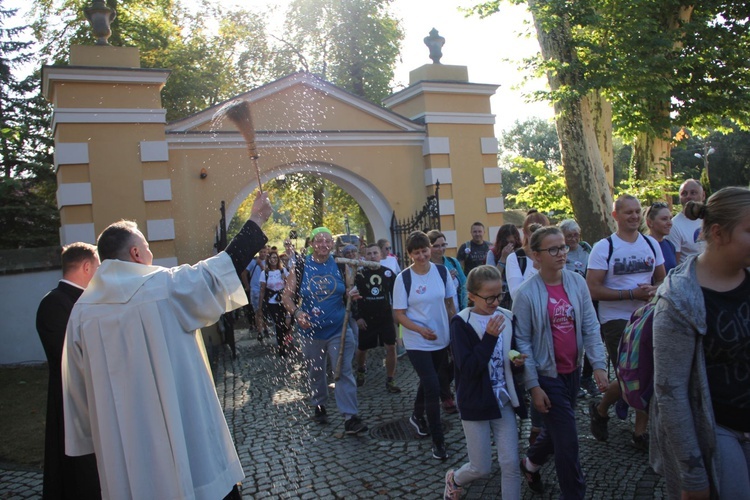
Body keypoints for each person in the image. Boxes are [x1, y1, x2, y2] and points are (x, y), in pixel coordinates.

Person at [62, 191, 272, 499]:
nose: (151, 256)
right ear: (135, 254)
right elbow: (219, 270)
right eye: (147, 249)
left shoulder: (80, 313)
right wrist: (256, 219)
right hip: (184, 432)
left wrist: (95, 438)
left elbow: (77, 394)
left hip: (122, 450)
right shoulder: (161, 287)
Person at [651, 187, 750, 499]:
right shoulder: (678, 299)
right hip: (717, 430)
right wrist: (692, 476)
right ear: (718, 233)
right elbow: (671, 394)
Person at [514, 226, 609, 497]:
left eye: (563, 247)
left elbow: (591, 325)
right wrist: (533, 386)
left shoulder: (577, 282)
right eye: (553, 249)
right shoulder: (526, 294)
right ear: (537, 256)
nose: (561, 253)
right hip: (547, 375)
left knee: (557, 431)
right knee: (568, 443)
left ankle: (530, 464)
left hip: (573, 371)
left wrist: (599, 366)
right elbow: (523, 343)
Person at [587, 194, 666, 451]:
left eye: (636, 212)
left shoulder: (652, 245)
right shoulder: (604, 247)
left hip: (648, 316)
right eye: (627, 212)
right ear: (615, 216)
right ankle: (601, 409)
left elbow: (663, 282)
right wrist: (631, 294)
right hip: (616, 320)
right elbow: (593, 290)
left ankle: (640, 432)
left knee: (649, 372)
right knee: (628, 375)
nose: (633, 216)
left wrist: (653, 290)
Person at [444, 265, 527, 500]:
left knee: (510, 463)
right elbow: (468, 368)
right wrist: (489, 337)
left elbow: (509, 353)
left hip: (503, 399)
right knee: (481, 467)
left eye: (499, 294)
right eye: (489, 296)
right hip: (475, 400)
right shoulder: (461, 323)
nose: (495, 301)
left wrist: (516, 361)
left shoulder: (508, 317)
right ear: (471, 296)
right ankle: (455, 479)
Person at [282, 227, 368, 434]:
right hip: (311, 331)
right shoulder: (301, 266)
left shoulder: (340, 265)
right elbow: (286, 298)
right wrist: (297, 313)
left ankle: (350, 417)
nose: (323, 244)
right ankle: (319, 403)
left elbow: (348, 290)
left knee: (343, 370)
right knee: (316, 370)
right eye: (318, 241)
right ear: (311, 244)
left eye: (327, 241)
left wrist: (352, 293)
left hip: (339, 328)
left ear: (332, 244)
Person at [36, 243, 101, 500]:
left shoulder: (82, 301)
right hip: (70, 402)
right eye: (97, 267)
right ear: (86, 267)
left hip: (91, 397)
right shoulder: (54, 304)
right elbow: (68, 356)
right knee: (78, 474)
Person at [393, 231, 456, 460]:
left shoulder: (441, 272)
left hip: (441, 338)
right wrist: (420, 330)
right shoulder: (404, 278)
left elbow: (450, 303)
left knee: (428, 381)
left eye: (424, 250)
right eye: (416, 252)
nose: (422, 256)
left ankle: (416, 415)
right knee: (432, 386)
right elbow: (398, 314)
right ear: (409, 254)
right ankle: (438, 441)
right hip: (417, 341)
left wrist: (454, 329)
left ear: (431, 249)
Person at [352, 243, 401, 393]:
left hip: (385, 317)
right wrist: (358, 317)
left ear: (381, 255)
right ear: (364, 256)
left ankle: (390, 379)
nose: (372, 256)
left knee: (391, 347)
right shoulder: (359, 275)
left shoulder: (388, 273)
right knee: (362, 349)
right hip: (366, 318)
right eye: (369, 254)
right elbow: (353, 299)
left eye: (375, 253)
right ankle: (361, 369)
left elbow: (398, 296)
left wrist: (397, 316)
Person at [427, 229, 466, 414]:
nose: (441, 249)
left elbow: (464, 284)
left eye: (443, 245)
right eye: (436, 246)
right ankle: (446, 395)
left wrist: (464, 309)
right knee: (442, 358)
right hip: (438, 319)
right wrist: (445, 280)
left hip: (456, 314)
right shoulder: (427, 267)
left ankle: (447, 384)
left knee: (459, 356)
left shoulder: (452, 262)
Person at [558, 218, 598, 397]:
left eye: (575, 235)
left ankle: (587, 376)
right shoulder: (560, 252)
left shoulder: (586, 248)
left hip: (589, 298)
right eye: (569, 236)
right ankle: (573, 377)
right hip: (569, 300)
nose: (573, 239)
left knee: (593, 337)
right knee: (573, 340)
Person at [506, 211, 550, 301]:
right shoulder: (515, 258)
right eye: (534, 235)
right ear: (525, 233)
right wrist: (534, 269)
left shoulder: (555, 254)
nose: (539, 240)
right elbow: (516, 296)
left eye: (544, 235)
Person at [258, 251, 291, 357]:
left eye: (276, 258)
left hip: (283, 300)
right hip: (272, 302)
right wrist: (260, 306)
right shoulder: (265, 273)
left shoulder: (283, 270)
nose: (274, 260)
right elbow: (262, 290)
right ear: (269, 259)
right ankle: (281, 347)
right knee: (278, 323)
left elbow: (289, 285)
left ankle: (285, 340)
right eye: (272, 258)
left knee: (285, 323)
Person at [667, 178, 706, 264]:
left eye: (693, 193)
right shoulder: (674, 225)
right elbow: (674, 264)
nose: (688, 196)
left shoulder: (711, 219)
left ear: (703, 195)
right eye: (684, 194)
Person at [485, 223, 522, 310]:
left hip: (517, 293)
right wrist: (503, 258)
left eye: (512, 242)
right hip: (500, 294)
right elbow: (491, 277)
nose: (509, 246)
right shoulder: (493, 253)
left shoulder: (521, 253)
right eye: (506, 243)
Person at [241, 245, 268, 340]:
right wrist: (247, 286)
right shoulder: (253, 262)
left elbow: (267, 273)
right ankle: (260, 331)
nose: (263, 254)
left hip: (265, 290)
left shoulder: (268, 262)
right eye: (261, 252)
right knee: (258, 311)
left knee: (264, 311)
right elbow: (244, 273)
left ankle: (264, 328)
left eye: (265, 252)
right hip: (255, 290)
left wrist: (261, 265)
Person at [645, 202, 677, 274]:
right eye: (664, 219)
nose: (670, 223)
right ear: (650, 222)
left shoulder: (670, 246)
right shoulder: (644, 245)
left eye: (670, 218)